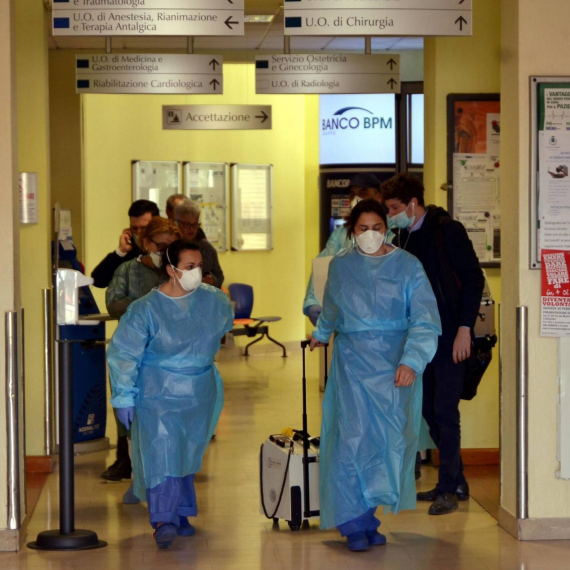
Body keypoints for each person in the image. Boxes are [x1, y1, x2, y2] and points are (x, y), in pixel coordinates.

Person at [309, 199, 441, 552]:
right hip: (352, 365)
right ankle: (353, 523)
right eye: (362, 228)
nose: (370, 234)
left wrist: (412, 361)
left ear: (387, 227)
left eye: (377, 227)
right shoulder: (341, 265)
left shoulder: (408, 266)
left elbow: (425, 319)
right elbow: (332, 307)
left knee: (387, 443)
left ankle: (368, 517)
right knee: (351, 440)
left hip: (395, 366)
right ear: (352, 231)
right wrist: (321, 334)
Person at [106, 240, 234, 549]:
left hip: (200, 391)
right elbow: (124, 353)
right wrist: (124, 395)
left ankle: (182, 513)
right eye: (189, 267)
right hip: (158, 392)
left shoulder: (213, 300)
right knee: (161, 453)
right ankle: (163, 519)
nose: (196, 273)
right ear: (171, 270)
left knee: (187, 453)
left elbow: (222, 328)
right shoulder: (146, 309)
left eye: (199, 266)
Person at [382, 173, 485, 516]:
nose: (391, 215)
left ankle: (447, 489)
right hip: (420, 338)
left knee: (445, 411)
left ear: (413, 204)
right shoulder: (402, 238)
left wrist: (464, 329)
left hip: (451, 335)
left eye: (394, 208)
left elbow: (473, 279)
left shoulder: (447, 231)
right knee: (427, 410)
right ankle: (457, 480)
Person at [303, 173, 385, 326]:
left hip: (382, 319)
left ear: (379, 196)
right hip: (345, 319)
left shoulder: (391, 232)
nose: (356, 199)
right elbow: (323, 266)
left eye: (363, 192)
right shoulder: (341, 234)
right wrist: (313, 301)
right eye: (352, 194)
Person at [106, 217, 181, 319]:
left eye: (171, 248)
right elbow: (114, 307)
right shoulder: (127, 270)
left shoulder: (179, 271)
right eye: (161, 247)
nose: (165, 253)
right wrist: (150, 302)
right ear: (146, 243)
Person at [92, 199, 160, 289]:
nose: (139, 232)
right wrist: (121, 251)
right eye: (134, 228)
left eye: (144, 228)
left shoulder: (166, 250)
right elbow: (98, 281)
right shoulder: (131, 252)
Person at [174, 199, 224, 287]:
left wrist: (211, 280)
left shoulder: (206, 248)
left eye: (195, 224)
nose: (191, 229)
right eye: (187, 224)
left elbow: (219, 277)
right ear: (177, 223)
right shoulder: (170, 246)